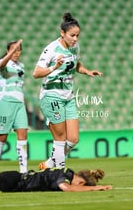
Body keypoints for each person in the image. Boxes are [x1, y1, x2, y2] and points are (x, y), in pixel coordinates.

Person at [32, 13, 103, 169]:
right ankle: (60, 171)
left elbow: (75, 64)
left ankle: (51, 162)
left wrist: (86, 71)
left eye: (77, 35)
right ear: (62, 33)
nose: (75, 39)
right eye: (72, 35)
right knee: (61, 137)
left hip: (68, 97)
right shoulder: (51, 49)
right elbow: (36, 73)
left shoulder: (74, 47)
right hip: (52, 95)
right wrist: (54, 67)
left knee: (73, 138)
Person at [0, 39, 28, 178]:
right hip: (5, 103)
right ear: (8, 51)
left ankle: (24, 172)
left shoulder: (21, 66)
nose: (16, 53)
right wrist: (11, 52)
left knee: (23, 135)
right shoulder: (3, 64)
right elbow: (1, 64)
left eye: (18, 50)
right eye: (13, 50)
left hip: (19, 103)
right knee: (2, 137)